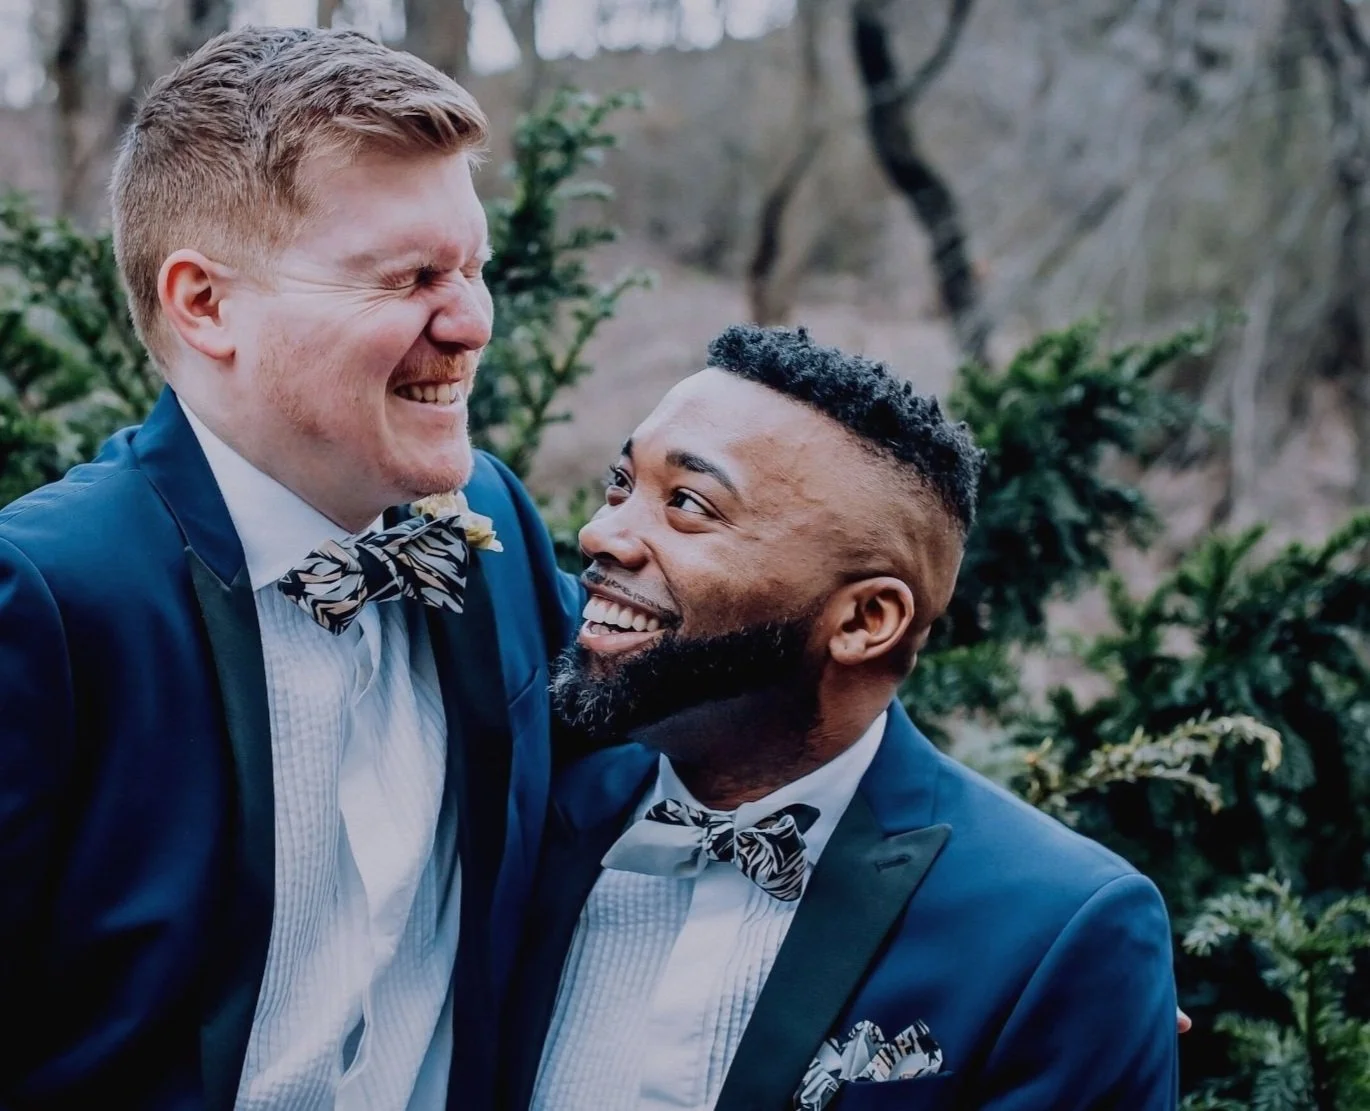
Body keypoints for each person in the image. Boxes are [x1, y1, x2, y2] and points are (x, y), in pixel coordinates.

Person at [0, 27, 579, 1110]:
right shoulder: (49, 602)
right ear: (204, 305)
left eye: (471, 266)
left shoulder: (483, 518)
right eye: (410, 276)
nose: (470, 320)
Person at [501, 325, 1180, 1111]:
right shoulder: (531, 814)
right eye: (622, 484)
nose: (599, 532)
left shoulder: (1053, 932)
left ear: (865, 621)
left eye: (688, 504)